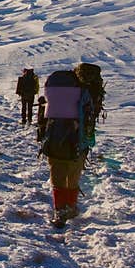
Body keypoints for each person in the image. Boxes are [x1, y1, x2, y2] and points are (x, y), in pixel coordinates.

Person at [39, 63, 103, 228]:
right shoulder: (85, 92)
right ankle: (71, 207)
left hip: (53, 137)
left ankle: (59, 210)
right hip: (77, 139)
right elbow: (90, 116)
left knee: (57, 171)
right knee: (73, 173)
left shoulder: (56, 86)